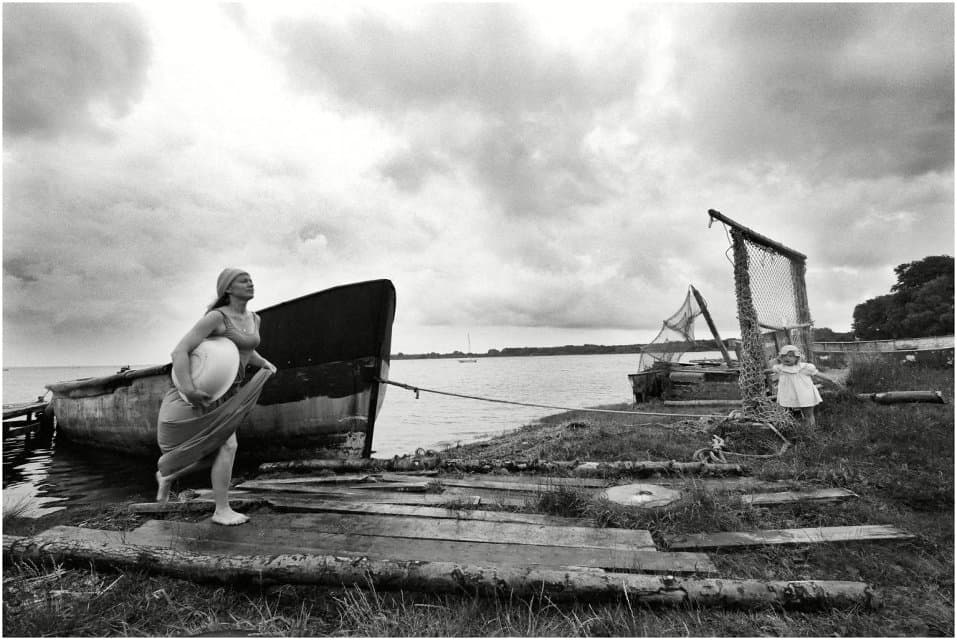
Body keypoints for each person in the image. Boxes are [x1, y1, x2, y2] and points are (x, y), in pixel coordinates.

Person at [155, 268, 277, 525]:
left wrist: (265, 362)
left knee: (213, 446)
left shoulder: (255, 319)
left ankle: (167, 477)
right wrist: (188, 389)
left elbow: (245, 349)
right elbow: (180, 351)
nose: (250, 283)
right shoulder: (216, 318)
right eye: (243, 281)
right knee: (228, 445)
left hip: (232, 392)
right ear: (228, 289)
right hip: (209, 394)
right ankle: (221, 510)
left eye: (251, 280)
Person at [770, 345, 822, 427]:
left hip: (805, 394)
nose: (786, 358)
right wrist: (760, 372)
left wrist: (831, 380)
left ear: (797, 358)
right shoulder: (780, 368)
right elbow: (770, 371)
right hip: (789, 395)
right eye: (783, 356)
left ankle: (811, 431)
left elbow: (818, 374)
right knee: (783, 412)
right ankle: (788, 428)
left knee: (808, 414)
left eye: (790, 356)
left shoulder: (805, 367)